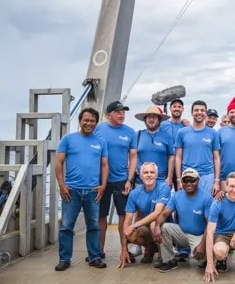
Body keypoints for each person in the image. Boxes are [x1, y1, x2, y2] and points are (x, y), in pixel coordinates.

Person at [54, 107, 108, 271]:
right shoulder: (68, 139)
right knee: (66, 226)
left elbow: (104, 165)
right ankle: (64, 259)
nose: (89, 123)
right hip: (72, 191)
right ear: (80, 121)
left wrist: (103, 185)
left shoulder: (100, 142)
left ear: (96, 123)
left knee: (93, 226)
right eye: (86, 120)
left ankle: (94, 257)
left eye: (92, 121)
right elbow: (58, 163)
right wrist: (62, 185)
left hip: (93, 191)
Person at [94, 101, 137, 263]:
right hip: (101, 181)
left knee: (124, 216)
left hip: (121, 180)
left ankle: (124, 250)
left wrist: (130, 179)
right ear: (109, 114)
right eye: (118, 112)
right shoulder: (99, 129)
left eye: (123, 112)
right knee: (101, 216)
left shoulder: (130, 132)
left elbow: (133, 157)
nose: (122, 115)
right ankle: (98, 251)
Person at [153, 168, 212, 272]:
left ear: (198, 181)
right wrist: (157, 226)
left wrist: (202, 245)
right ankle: (169, 260)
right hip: (182, 233)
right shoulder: (176, 196)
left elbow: (210, 225)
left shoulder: (206, 197)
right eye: (185, 180)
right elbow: (164, 214)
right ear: (182, 182)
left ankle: (204, 258)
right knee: (164, 227)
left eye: (192, 180)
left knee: (202, 261)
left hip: (199, 236)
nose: (189, 183)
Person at [120, 162, 170, 268]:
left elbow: (157, 213)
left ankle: (162, 255)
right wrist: (124, 249)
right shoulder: (134, 193)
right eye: (146, 172)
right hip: (147, 227)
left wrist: (134, 225)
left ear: (156, 175)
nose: (149, 175)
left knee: (153, 224)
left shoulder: (164, 188)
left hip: (164, 227)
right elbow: (127, 220)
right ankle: (150, 249)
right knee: (131, 234)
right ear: (141, 176)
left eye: (152, 172)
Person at [175, 100, 221, 195]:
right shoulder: (182, 132)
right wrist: (179, 179)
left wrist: (216, 180)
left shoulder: (213, 133)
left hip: (207, 176)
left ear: (205, 113)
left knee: (206, 206)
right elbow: (178, 157)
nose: (199, 112)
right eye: (196, 110)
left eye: (202, 110)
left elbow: (216, 158)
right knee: (188, 205)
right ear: (192, 113)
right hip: (187, 175)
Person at [134, 106, 174, 186]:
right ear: (145, 120)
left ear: (159, 120)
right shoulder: (138, 135)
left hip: (161, 181)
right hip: (140, 182)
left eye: (154, 117)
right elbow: (132, 156)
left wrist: (169, 177)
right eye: (149, 117)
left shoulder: (166, 136)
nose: (151, 120)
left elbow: (171, 157)